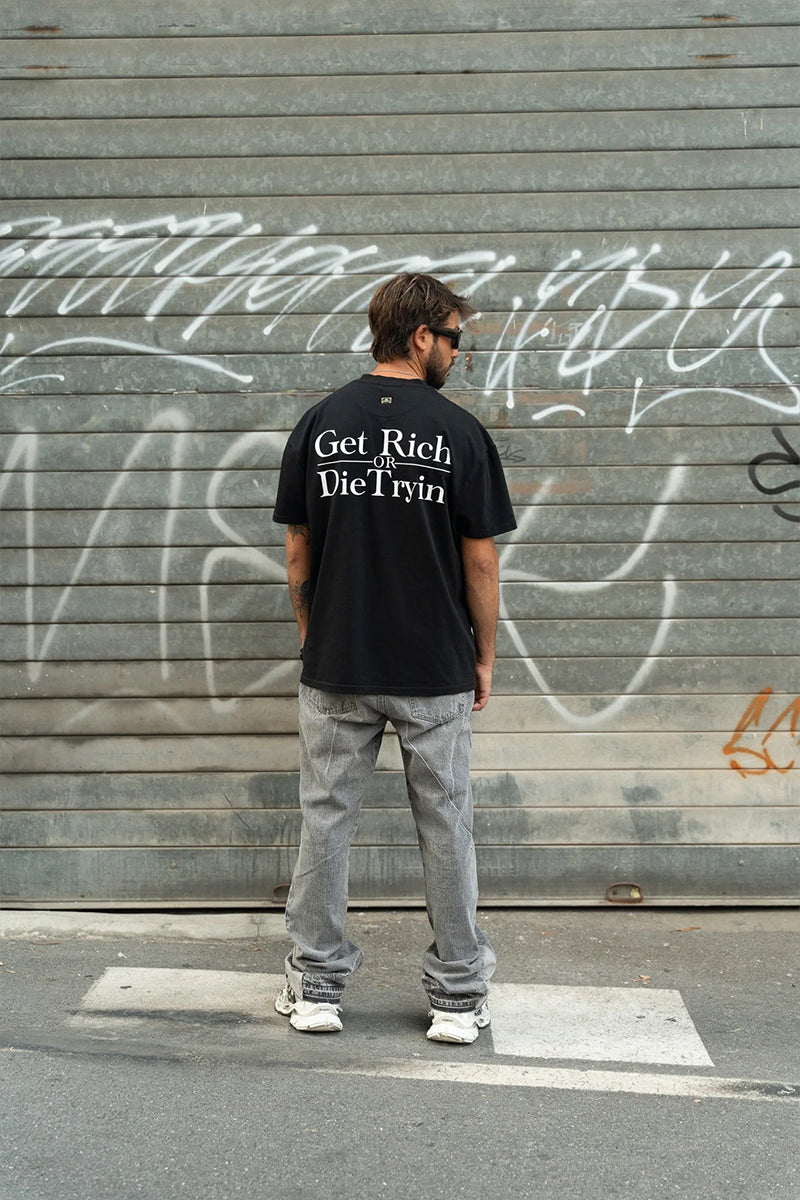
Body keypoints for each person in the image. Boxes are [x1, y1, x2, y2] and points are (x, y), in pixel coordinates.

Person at [272, 273, 516, 1044]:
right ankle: (457, 999)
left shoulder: (320, 424)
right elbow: (480, 563)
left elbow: (298, 548)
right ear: (420, 338)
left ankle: (316, 988)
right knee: (446, 825)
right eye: (453, 338)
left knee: (326, 820)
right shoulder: (459, 433)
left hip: (338, 660)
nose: (458, 353)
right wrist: (484, 656)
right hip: (432, 666)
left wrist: (313, 632)